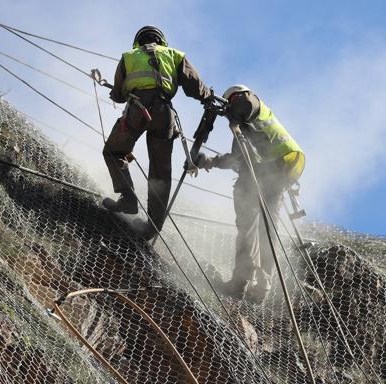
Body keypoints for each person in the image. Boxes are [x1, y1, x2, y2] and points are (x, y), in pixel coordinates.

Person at [193, 85, 305, 304]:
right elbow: (238, 158)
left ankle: (240, 282)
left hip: (262, 175)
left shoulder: (248, 103)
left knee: (248, 228)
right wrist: (210, 162)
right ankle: (261, 287)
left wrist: (228, 111)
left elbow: (245, 104)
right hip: (278, 174)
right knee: (267, 232)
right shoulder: (251, 128)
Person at [102, 25, 212, 240]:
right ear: (162, 41)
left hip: (137, 110)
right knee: (160, 173)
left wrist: (118, 92)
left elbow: (118, 95)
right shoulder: (175, 55)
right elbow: (195, 87)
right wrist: (208, 97)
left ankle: (128, 198)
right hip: (164, 114)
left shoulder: (128, 57)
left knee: (113, 151)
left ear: (138, 41)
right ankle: (153, 226)